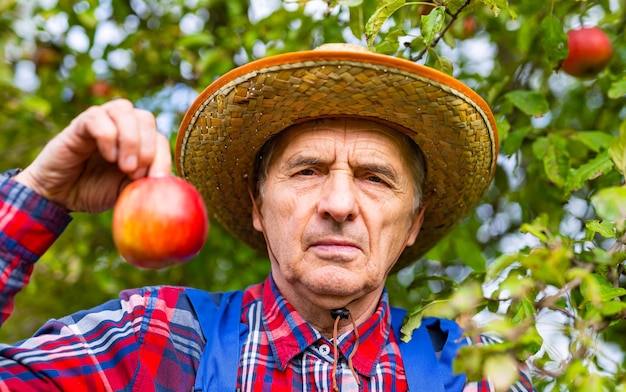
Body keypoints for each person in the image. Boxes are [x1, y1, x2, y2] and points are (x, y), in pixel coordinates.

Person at [0, 44, 533, 391]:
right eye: (307, 171)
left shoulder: (471, 371)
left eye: (375, 177)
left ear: (413, 222)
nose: (340, 204)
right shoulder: (156, 340)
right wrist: (38, 195)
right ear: (258, 206)